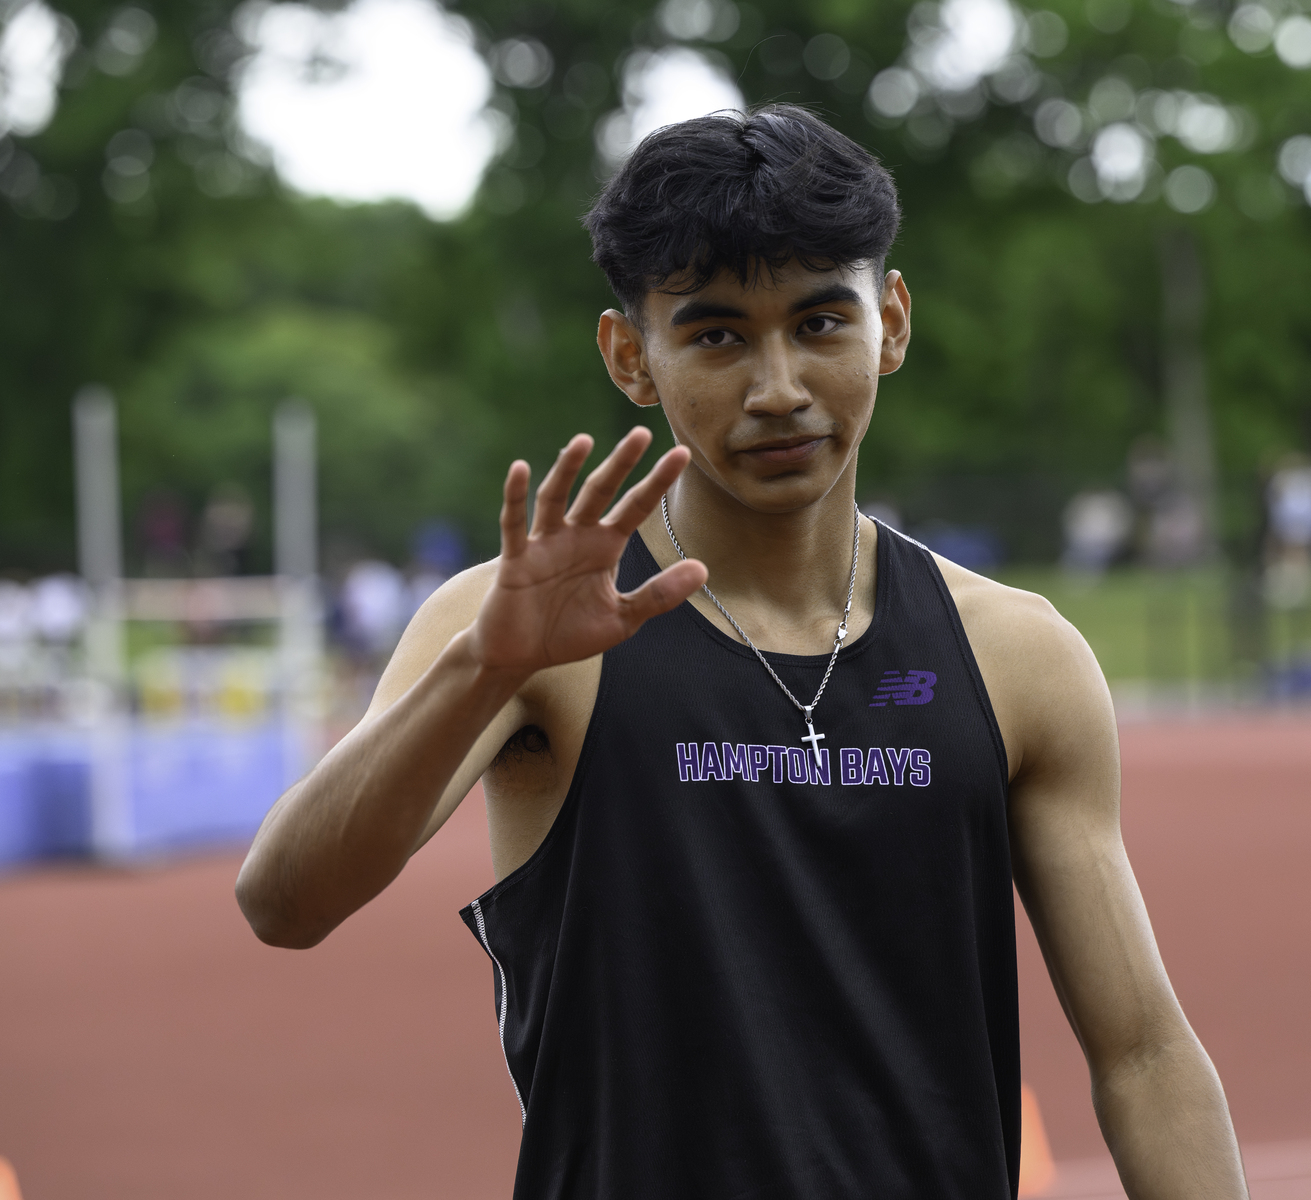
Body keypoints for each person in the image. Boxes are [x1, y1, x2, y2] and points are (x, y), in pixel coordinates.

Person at [235, 106, 1248, 1199]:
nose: (778, 388)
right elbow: (283, 904)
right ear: (632, 355)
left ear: (891, 324)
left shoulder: (1017, 656)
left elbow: (1144, 1054)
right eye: (717, 335)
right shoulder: (525, 631)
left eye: (820, 323)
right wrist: (483, 667)